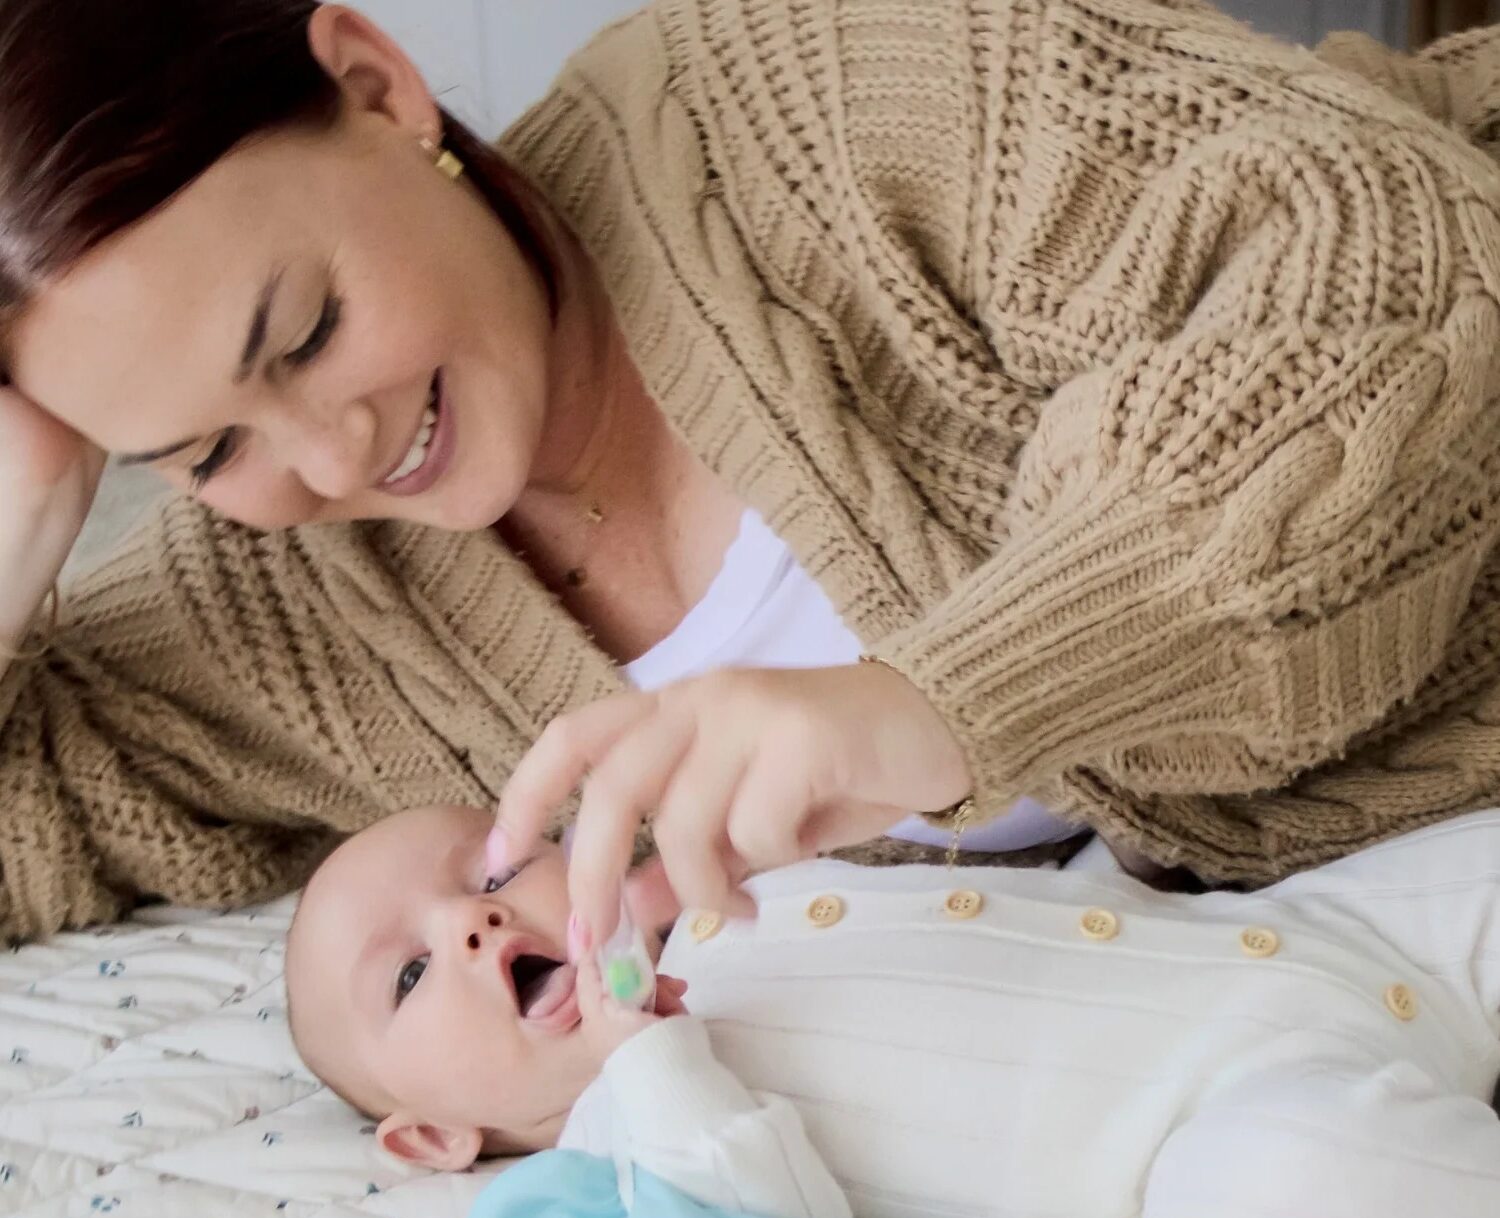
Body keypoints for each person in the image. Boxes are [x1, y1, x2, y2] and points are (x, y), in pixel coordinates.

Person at [8, 1, 1500, 951]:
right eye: (203, 450)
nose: (332, 454)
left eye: (309, 329)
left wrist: (945, 700)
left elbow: (1387, 279)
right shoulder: (285, 606)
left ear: (379, 85)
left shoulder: (813, 86)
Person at [284, 800, 1500, 1218]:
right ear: (429, 1137)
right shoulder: (625, 1165)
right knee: (1325, 1187)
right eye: (407, 976)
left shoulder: (718, 907)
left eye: (490, 875)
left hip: (1306, 937)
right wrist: (647, 1055)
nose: (475, 926)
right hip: (1218, 1144)